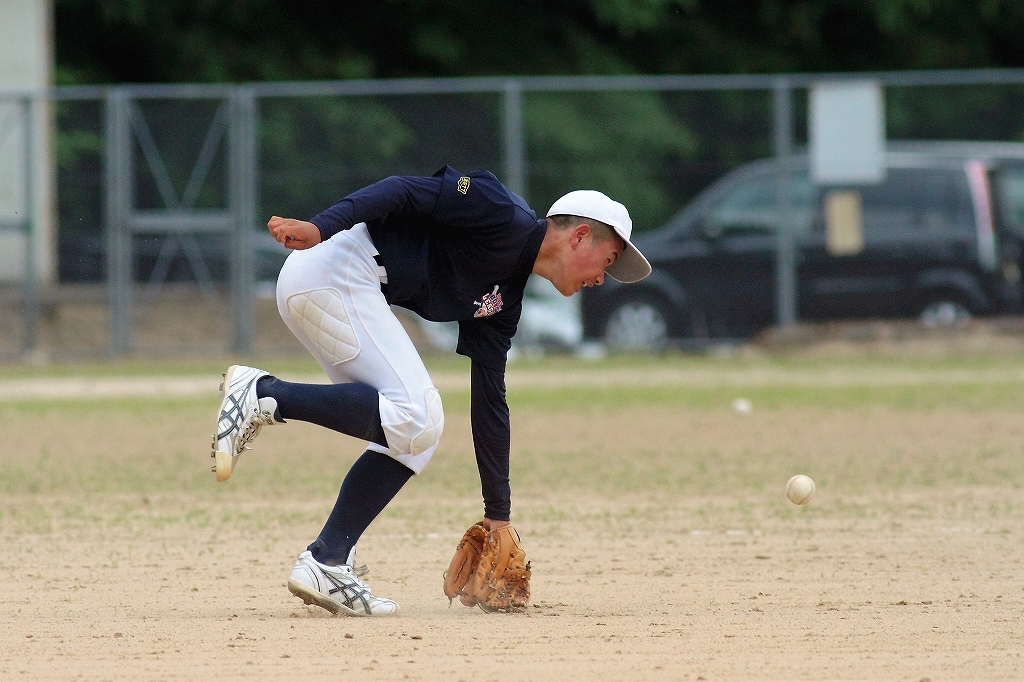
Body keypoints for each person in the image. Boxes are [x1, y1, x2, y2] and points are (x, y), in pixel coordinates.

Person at [210, 165, 651, 616]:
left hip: (331, 288)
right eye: (609, 261)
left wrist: (498, 513)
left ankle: (326, 561)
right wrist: (321, 225)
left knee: (412, 438)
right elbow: (403, 190)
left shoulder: (504, 298)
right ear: (578, 237)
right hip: (332, 268)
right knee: (417, 413)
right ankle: (264, 393)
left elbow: (490, 399)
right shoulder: (501, 212)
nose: (602, 279)